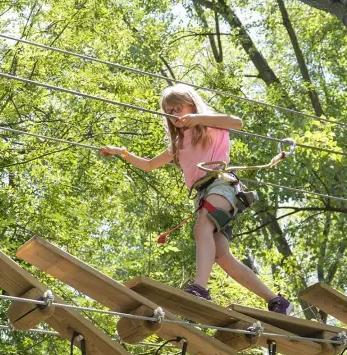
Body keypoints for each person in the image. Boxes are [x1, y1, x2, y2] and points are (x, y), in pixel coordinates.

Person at [99, 84, 293, 315]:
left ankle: (200, 288)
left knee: (202, 228)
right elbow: (150, 165)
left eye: (178, 108)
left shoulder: (209, 124)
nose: (174, 115)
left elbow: (237, 122)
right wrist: (123, 153)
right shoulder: (179, 144)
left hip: (222, 184)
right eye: (169, 113)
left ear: (191, 105)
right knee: (221, 254)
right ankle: (277, 301)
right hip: (204, 194)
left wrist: (198, 118)